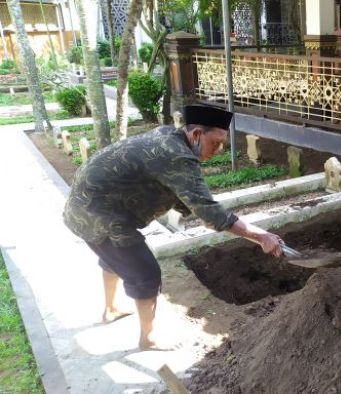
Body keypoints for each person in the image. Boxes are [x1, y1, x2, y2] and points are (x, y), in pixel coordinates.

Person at [63, 105, 286, 350]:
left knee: (114, 259)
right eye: (216, 142)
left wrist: (194, 212)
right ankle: (148, 339)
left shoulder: (169, 136)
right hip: (98, 213)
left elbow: (180, 193)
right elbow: (210, 212)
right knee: (145, 273)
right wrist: (261, 235)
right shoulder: (177, 156)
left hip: (85, 205)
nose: (220, 150)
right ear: (197, 134)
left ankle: (111, 309)